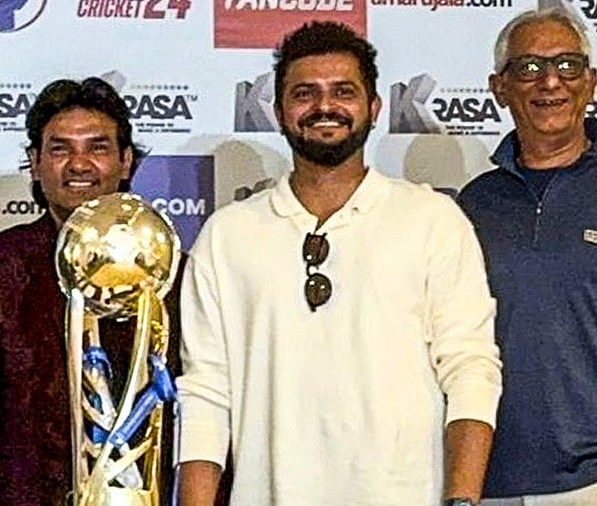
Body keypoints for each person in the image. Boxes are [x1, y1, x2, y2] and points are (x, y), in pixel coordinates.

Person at [175, 21, 502, 506]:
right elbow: (205, 392)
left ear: (374, 108)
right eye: (305, 93)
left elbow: (471, 368)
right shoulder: (226, 236)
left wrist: (462, 499)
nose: (324, 107)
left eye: (343, 92)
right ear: (280, 111)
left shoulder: (432, 219)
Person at [0, 77, 181, 505]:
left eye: (97, 148)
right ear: (35, 162)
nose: (79, 164)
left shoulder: (173, 272)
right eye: (60, 149)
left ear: (126, 161)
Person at [457, 8, 597, 505]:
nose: (551, 82)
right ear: (498, 87)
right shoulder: (470, 206)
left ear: (592, 81)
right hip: (485, 481)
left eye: (568, 65)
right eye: (529, 67)